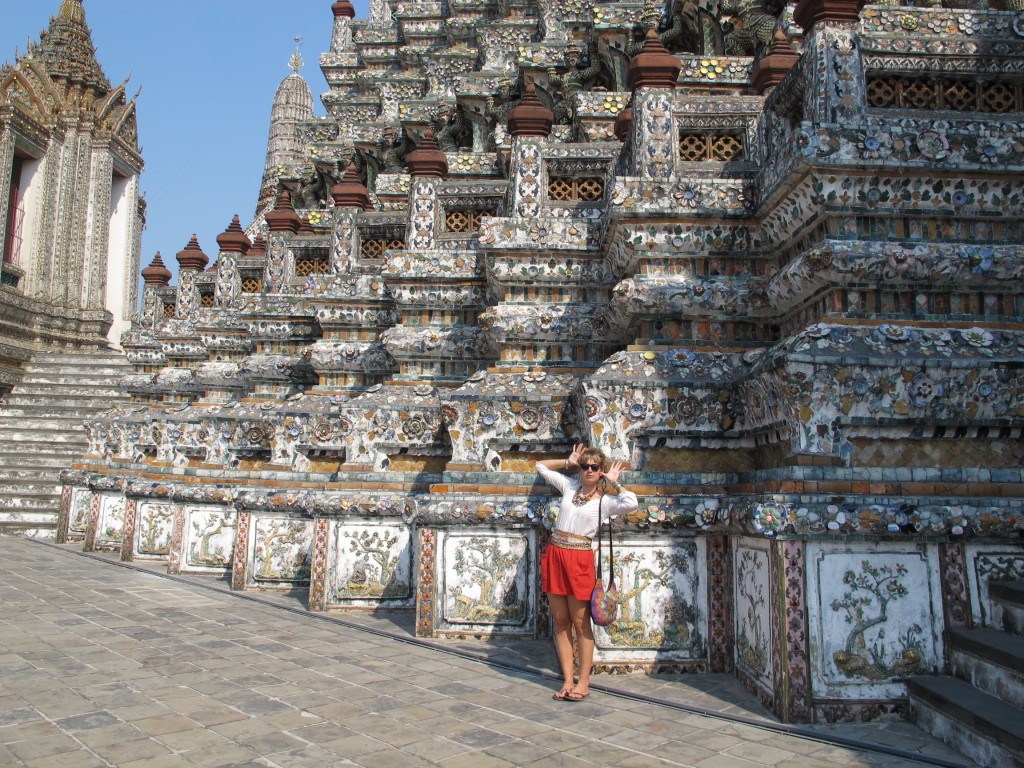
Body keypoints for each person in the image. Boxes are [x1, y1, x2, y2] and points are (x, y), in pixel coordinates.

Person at [536, 443, 638, 701]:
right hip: (556, 553)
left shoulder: (606, 502)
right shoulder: (570, 487)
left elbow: (632, 502)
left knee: (581, 623)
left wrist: (613, 482)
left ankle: (584, 681)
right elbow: (540, 466)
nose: (589, 470)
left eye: (595, 467)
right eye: (585, 466)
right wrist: (567, 461)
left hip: (580, 559)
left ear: (601, 471)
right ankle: (568, 680)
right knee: (561, 623)